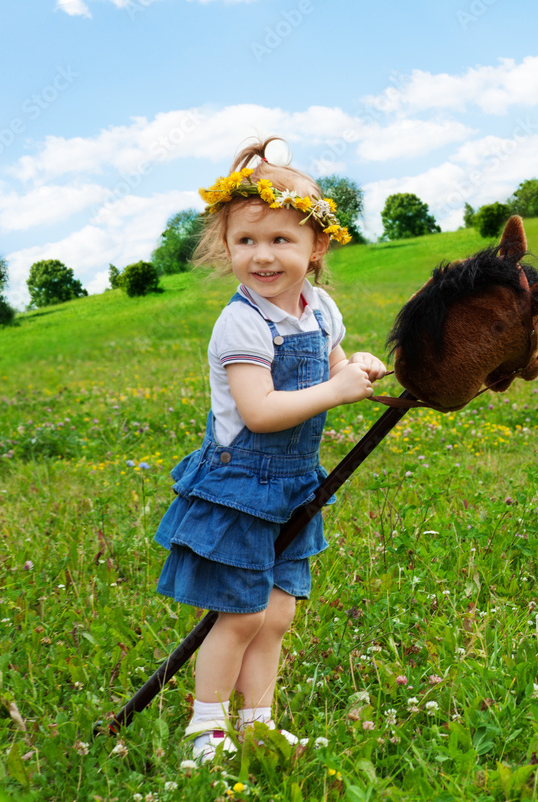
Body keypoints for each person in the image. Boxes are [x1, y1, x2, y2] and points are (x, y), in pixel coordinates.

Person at [153, 136, 387, 761]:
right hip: (239, 485)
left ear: (317, 248)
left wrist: (355, 367)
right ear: (226, 248)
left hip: (291, 485)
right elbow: (258, 412)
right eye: (246, 241)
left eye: (281, 240)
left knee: (277, 615)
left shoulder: (319, 309)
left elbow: (332, 365)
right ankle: (207, 729)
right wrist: (336, 391)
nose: (262, 256)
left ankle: (257, 725)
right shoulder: (242, 322)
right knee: (239, 615)